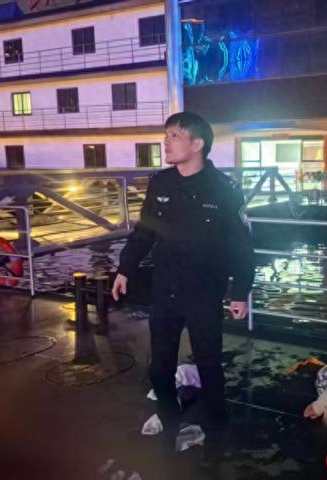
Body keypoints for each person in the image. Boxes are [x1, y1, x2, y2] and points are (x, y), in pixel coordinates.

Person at [111, 111, 255, 432]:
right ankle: (168, 413)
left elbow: (241, 246)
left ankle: (215, 422)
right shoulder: (161, 182)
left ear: (197, 143)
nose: (165, 142)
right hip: (165, 289)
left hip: (204, 291)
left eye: (174, 136)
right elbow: (144, 232)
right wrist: (125, 269)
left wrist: (240, 291)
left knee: (209, 362)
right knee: (160, 364)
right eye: (165, 136)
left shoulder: (225, 189)